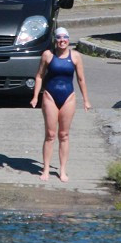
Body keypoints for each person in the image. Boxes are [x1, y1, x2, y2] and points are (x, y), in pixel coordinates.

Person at [30, 26, 91, 182]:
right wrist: (36, 96)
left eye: (65, 37)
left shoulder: (75, 56)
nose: (62, 40)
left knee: (64, 135)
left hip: (68, 97)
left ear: (68, 40)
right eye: (59, 38)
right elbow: (39, 76)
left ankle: (62, 170)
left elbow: (81, 79)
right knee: (50, 135)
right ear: (55, 40)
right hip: (50, 96)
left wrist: (86, 100)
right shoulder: (48, 55)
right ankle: (45, 169)